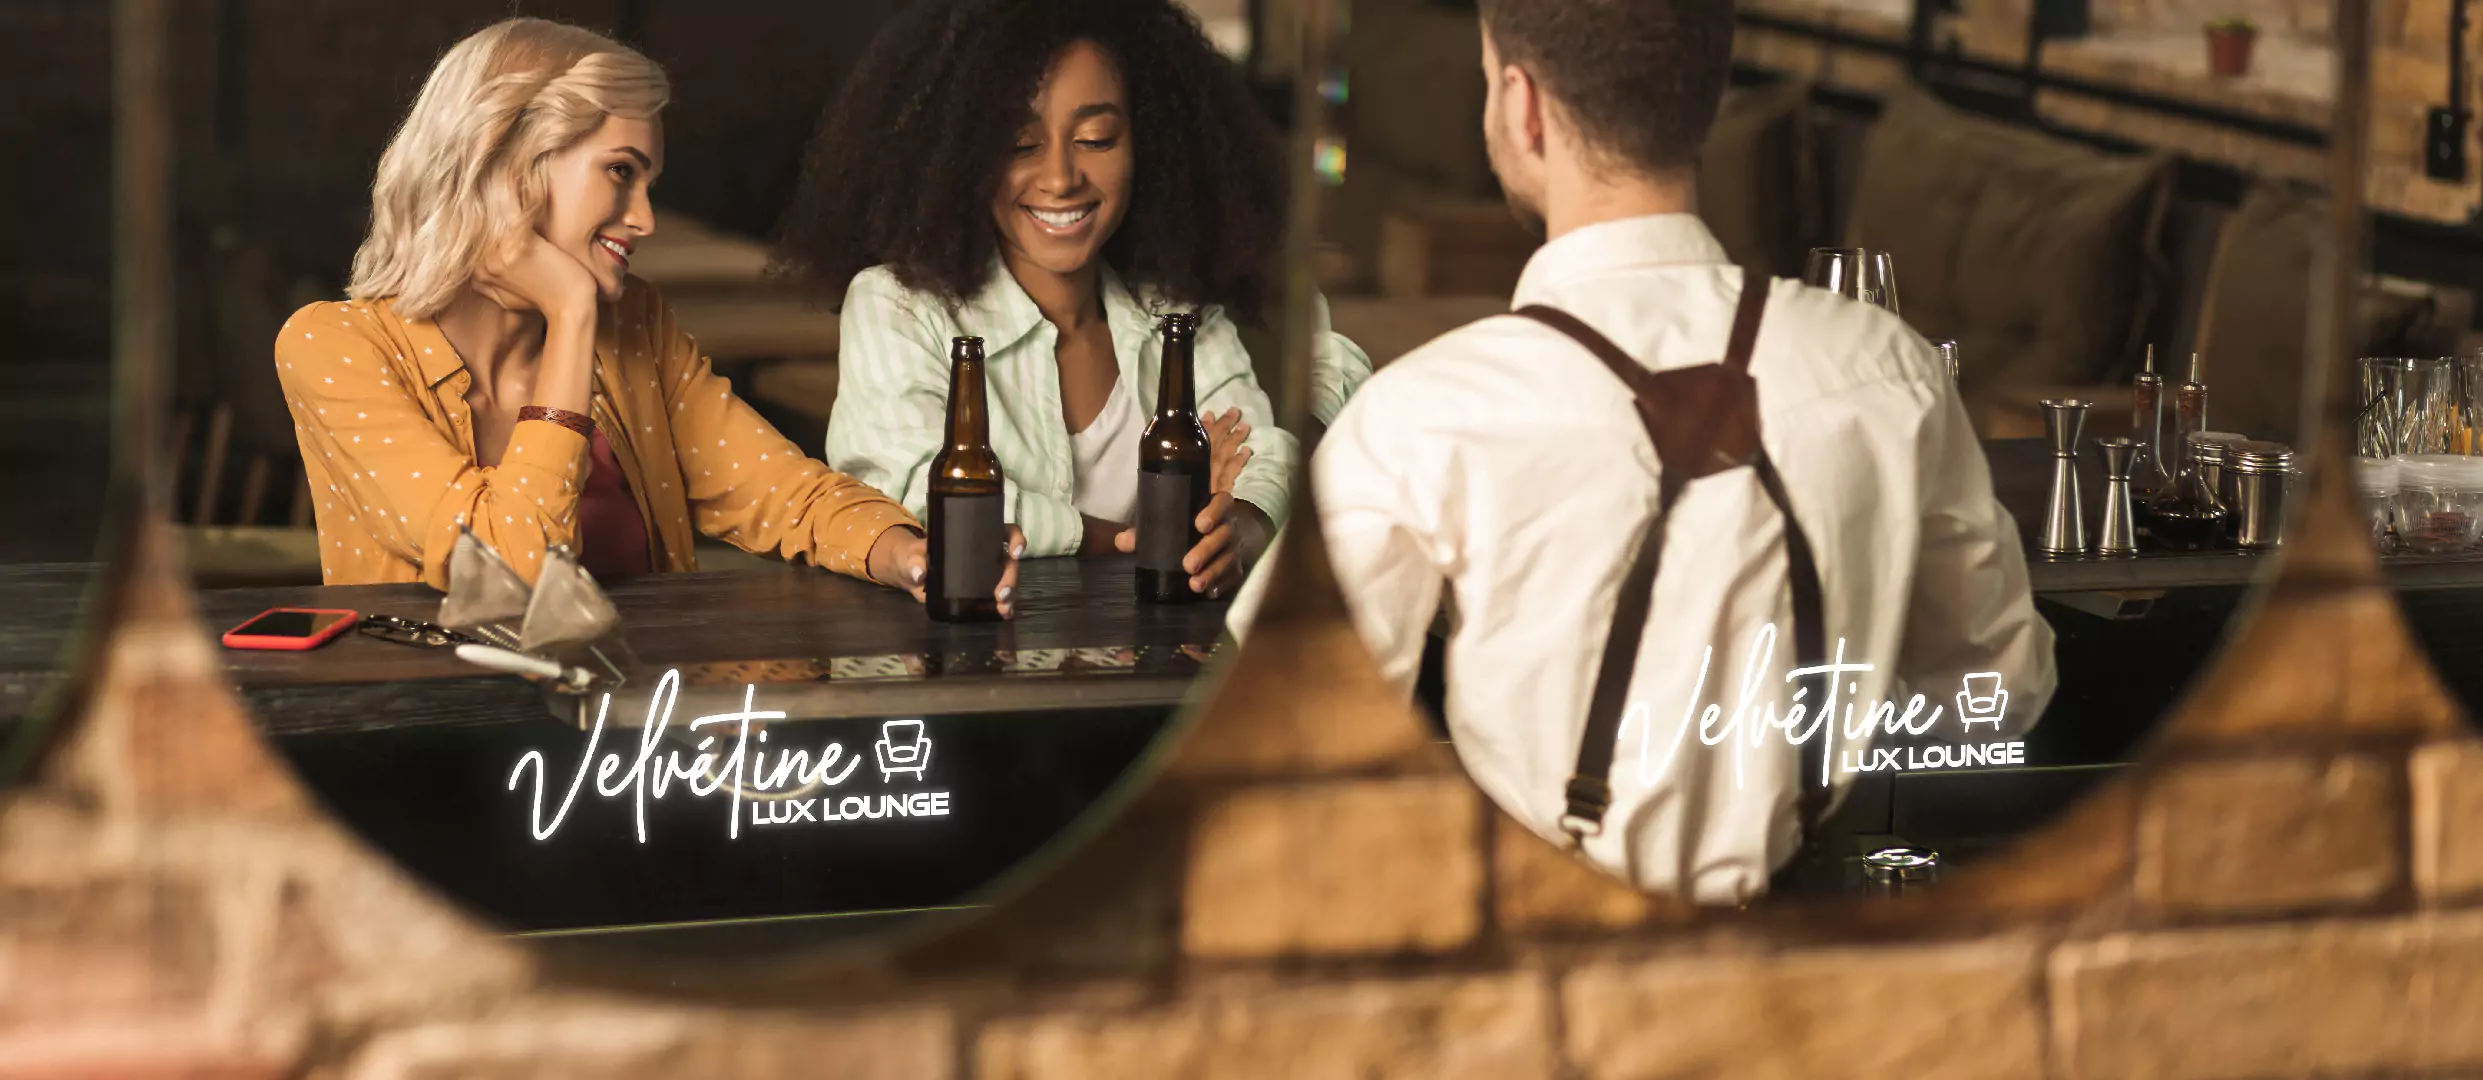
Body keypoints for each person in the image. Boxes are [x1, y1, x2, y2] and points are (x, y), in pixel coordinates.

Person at [1238, 0, 2056, 903]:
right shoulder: (1888, 371)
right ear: (1701, 102)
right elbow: (1999, 687)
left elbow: (1278, 732)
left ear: (1522, 105)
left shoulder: (1420, 419)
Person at [276, 18, 1019, 616]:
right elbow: (511, 566)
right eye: (621, 173)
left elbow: (788, 496)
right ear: (508, 167)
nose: (646, 218)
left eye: (649, 182)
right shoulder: (334, 346)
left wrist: (912, 555)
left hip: (639, 733)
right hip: (439, 742)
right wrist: (569, 314)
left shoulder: (636, 327)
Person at [772, 0, 1371, 597]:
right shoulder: (897, 307)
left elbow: (1259, 455)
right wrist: (1128, 537)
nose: (1061, 178)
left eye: (1095, 138)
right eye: (1021, 145)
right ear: (959, 155)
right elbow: (916, 498)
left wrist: (1240, 524)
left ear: (1149, 141)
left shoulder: (1176, 309)